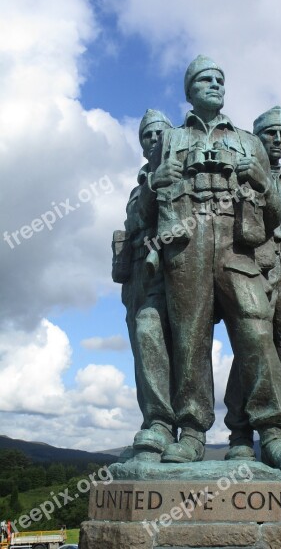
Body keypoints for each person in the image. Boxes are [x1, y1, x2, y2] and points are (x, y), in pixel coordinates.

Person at [138, 56, 281, 471]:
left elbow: (271, 218)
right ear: (189, 90)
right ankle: (193, 430)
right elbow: (148, 212)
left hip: (238, 246)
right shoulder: (171, 139)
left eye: (220, 79)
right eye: (204, 79)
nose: (215, 84)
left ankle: (270, 431)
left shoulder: (251, 143)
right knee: (189, 337)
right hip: (186, 244)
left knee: (256, 331)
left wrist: (265, 184)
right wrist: (154, 187)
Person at [224, 106, 281, 463]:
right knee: (252, 350)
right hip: (257, 272)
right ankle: (241, 434)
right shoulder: (243, 177)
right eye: (270, 134)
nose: (278, 140)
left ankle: (280, 436)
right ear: (256, 138)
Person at [114, 109, 177, 458]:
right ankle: (154, 425)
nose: (153, 140)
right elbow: (136, 219)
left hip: (171, 270)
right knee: (143, 352)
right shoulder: (140, 188)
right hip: (137, 273)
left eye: (158, 134)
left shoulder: (179, 173)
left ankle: (166, 423)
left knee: (156, 335)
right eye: (146, 136)